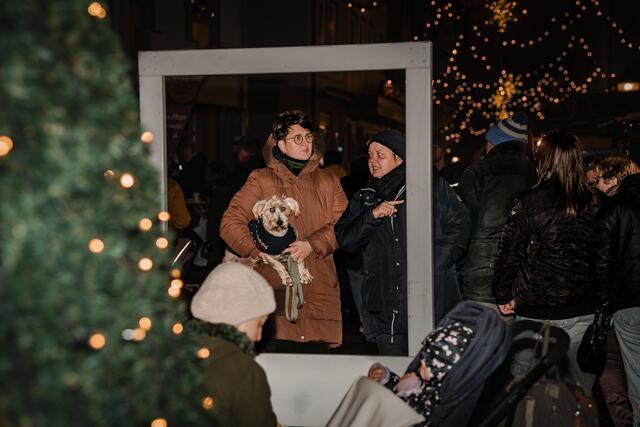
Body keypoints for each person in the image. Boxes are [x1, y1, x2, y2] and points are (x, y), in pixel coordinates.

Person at [220, 110, 348, 353]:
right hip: (274, 292)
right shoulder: (261, 179)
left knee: (317, 371)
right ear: (281, 144)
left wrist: (312, 245)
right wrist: (258, 252)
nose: (306, 143)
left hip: (318, 292)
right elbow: (230, 222)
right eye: (297, 138)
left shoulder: (329, 181)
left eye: (308, 137)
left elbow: (343, 226)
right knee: (275, 370)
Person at [492, 131, 599, 395]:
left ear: (544, 160)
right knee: (575, 390)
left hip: (536, 307)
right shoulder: (595, 202)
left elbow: (510, 252)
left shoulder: (529, 201)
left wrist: (502, 293)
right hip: (582, 307)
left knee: (524, 388)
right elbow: (604, 256)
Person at [335, 130, 407, 355]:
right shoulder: (365, 197)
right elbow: (346, 240)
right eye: (370, 155)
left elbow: (457, 230)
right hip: (384, 307)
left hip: (423, 303)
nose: (373, 161)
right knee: (393, 367)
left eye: (380, 155)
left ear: (399, 158)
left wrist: (438, 264)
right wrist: (372, 216)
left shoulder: (426, 191)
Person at [458, 111, 537, 317]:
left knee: (484, 334)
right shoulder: (537, 173)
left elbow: (463, 224)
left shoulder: (477, 172)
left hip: (481, 275)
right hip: (528, 278)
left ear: (494, 143)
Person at [189, 262, 278, 427]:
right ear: (242, 317)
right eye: (259, 324)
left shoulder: (173, 353)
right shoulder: (244, 370)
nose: (259, 336)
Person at [592, 158, 640, 425]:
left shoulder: (612, 208)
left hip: (628, 304)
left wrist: (604, 303)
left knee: (636, 376)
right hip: (627, 302)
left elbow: (601, 262)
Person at [433, 172, 470, 323]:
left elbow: (460, 225)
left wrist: (437, 262)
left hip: (439, 279)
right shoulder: (371, 194)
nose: (373, 162)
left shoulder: (436, 185)